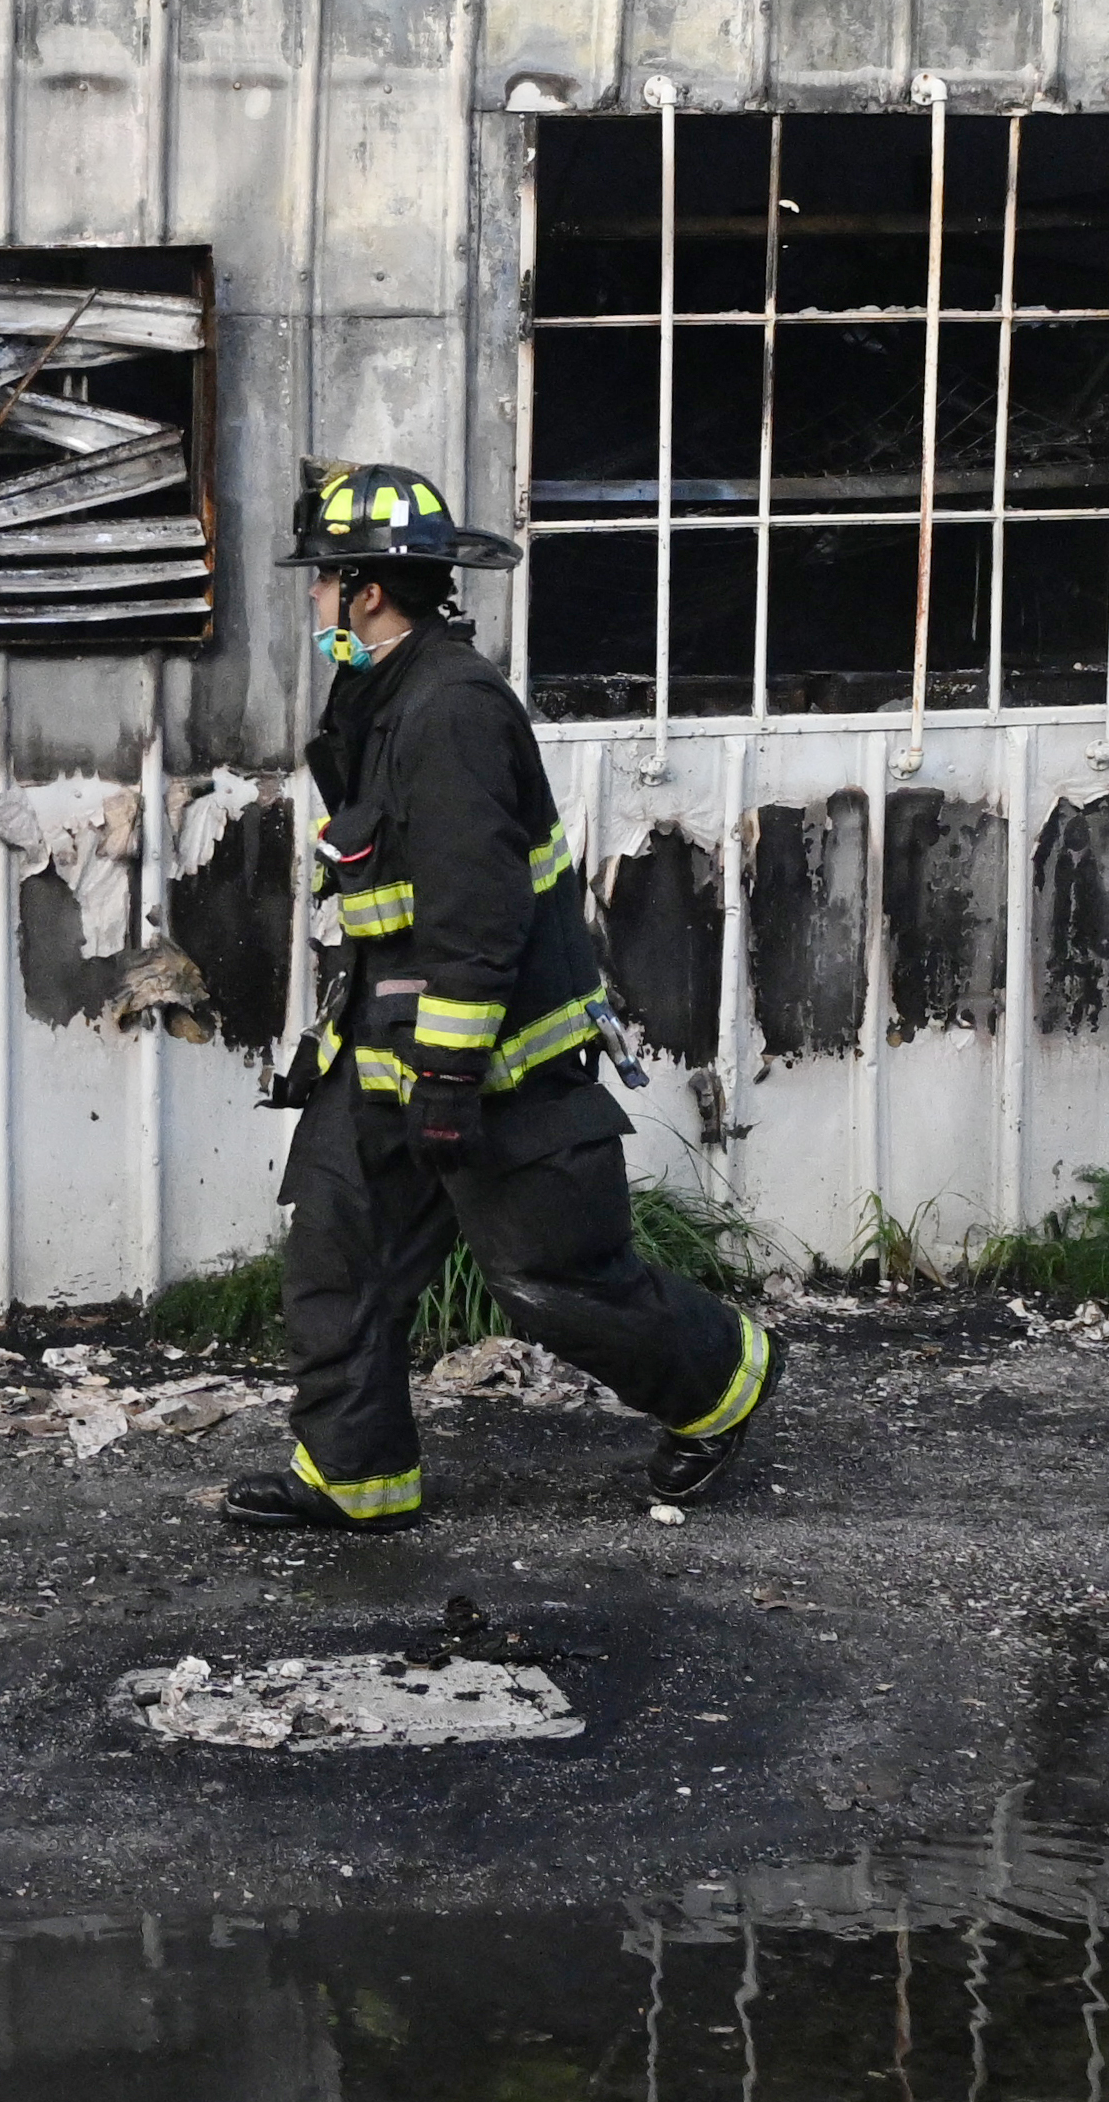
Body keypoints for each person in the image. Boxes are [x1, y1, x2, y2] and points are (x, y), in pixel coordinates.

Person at [223, 459, 779, 1534]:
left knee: (552, 1279)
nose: (314, 598)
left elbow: (478, 918)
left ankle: (723, 1385)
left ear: (367, 593)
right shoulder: (381, 695)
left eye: (323, 580)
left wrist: (445, 1076)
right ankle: (355, 1477)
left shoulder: (452, 710)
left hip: (492, 1063)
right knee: (339, 1256)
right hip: (383, 1048)